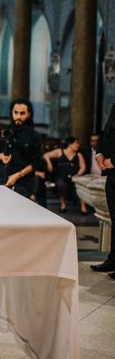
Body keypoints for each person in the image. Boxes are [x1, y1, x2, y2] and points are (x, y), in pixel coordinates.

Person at [0, 99, 42, 199]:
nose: (18, 117)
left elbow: (36, 162)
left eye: (22, 113)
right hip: (3, 179)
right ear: (11, 113)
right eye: (16, 112)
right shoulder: (2, 131)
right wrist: (0, 156)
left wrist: (17, 175)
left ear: (28, 114)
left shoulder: (34, 136)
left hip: (25, 182)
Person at [91, 103, 115, 276]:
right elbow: (106, 132)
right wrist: (99, 154)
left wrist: (113, 162)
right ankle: (113, 260)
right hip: (111, 174)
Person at [44, 137, 87, 214]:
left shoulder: (79, 154)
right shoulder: (60, 152)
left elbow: (83, 166)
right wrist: (49, 164)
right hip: (61, 176)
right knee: (61, 184)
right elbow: (46, 155)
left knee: (80, 186)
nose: (78, 145)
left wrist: (77, 175)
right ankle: (63, 204)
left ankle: (83, 207)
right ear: (70, 144)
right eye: (76, 143)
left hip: (75, 176)